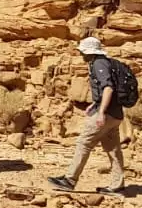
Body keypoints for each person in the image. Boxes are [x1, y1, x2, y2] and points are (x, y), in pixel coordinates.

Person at [49, 36, 126, 195]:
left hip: (106, 114)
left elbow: (108, 88)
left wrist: (101, 112)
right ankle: (118, 184)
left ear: (90, 52)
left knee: (84, 142)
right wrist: (95, 103)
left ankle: (70, 180)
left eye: (83, 51)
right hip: (116, 114)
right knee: (113, 149)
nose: (81, 55)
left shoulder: (98, 63)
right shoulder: (107, 62)